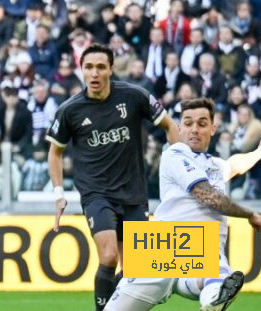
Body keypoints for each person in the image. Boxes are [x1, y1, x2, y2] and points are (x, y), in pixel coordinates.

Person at [46, 43, 178, 311]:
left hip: (133, 194)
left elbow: (170, 126)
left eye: (100, 67)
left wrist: (179, 168)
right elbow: (55, 153)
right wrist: (59, 194)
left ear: (111, 69)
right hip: (96, 194)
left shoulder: (133, 96)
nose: (94, 73)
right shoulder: (70, 110)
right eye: (88, 67)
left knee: (135, 273)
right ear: (81, 70)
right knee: (108, 257)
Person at [105, 98, 261, 311]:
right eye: (188, 123)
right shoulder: (174, 155)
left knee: (218, 272)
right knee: (217, 272)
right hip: (164, 244)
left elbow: (233, 165)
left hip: (197, 250)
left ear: (213, 128)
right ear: (179, 128)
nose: (194, 130)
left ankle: (212, 302)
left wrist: (258, 153)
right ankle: (213, 298)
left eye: (202, 124)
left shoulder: (212, 164)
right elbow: (207, 195)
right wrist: (249, 214)